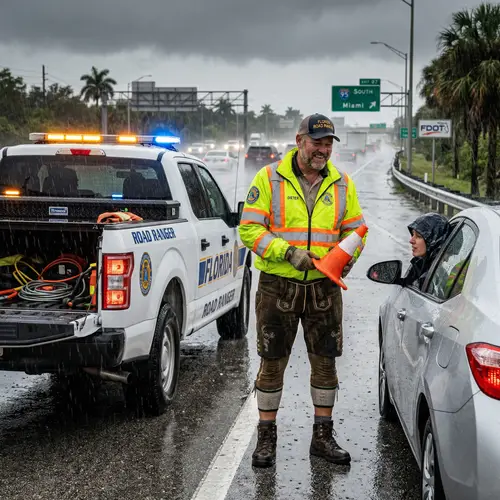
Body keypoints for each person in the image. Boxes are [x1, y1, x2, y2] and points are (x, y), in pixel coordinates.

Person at [238, 114, 367, 468]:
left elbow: (356, 231)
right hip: (278, 286)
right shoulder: (268, 179)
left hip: (324, 288)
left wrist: (344, 260)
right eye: (317, 143)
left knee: (325, 363)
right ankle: (266, 440)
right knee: (272, 363)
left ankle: (322, 439)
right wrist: (288, 252)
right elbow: (248, 230)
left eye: (328, 144)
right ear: (299, 141)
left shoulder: (343, 184)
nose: (323, 150)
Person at [404, 212, 451, 288]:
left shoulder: (435, 278)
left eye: (418, 236)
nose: (411, 240)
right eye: (413, 234)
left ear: (433, 242)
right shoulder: (421, 267)